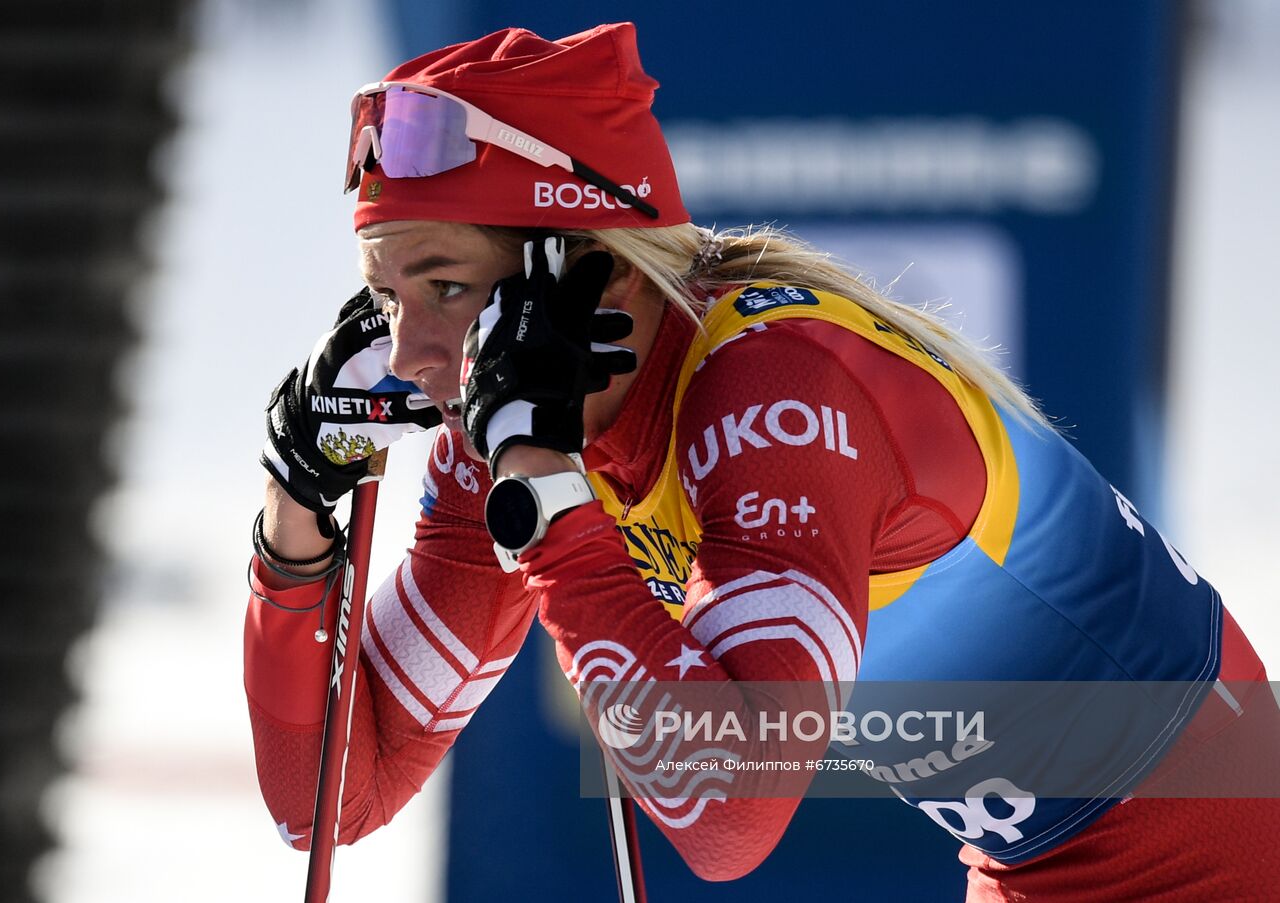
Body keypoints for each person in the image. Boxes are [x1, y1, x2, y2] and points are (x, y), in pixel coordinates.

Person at [245, 22, 1280, 900]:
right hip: (1033, 858)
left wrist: (548, 504)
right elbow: (332, 802)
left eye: (447, 289)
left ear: (585, 273)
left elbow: (730, 818)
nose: (415, 359)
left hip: (1209, 854)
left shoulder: (772, 392)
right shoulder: (518, 431)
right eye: (386, 301)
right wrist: (295, 520)